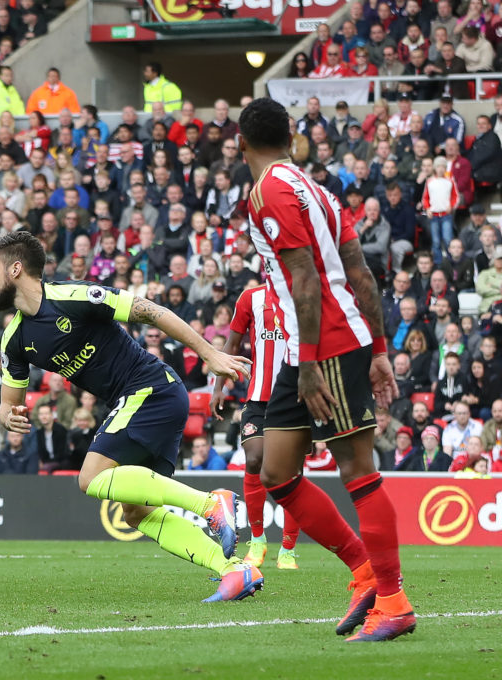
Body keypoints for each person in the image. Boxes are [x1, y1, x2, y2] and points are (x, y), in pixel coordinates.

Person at [0, 231, 260, 602]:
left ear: (16, 269)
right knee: (136, 513)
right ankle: (234, 570)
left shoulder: (74, 296)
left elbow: (153, 311)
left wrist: (210, 354)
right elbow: (7, 402)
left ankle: (211, 505)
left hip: (150, 387)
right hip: (147, 399)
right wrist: (8, 416)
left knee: (90, 477)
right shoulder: (15, 339)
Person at [240, 97, 414, 642]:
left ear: (240, 143)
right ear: (292, 137)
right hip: (307, 346)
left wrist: (321, 362)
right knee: (275, 472)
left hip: (327, 347)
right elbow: (361, 270)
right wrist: (381, 347)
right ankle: (365, 572)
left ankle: (395, 602)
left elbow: (306, 280)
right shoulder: (316, 190)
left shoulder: (269, 190)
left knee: (357, 470)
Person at [211, 283, 301, 570]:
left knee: (291, 471)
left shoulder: (305, 294)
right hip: (257, 400)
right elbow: (232, 344)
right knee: (254, 459)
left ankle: (288, 550)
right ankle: (258, 540)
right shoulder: (251, 297)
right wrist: (218, 387)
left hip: (294, 399)